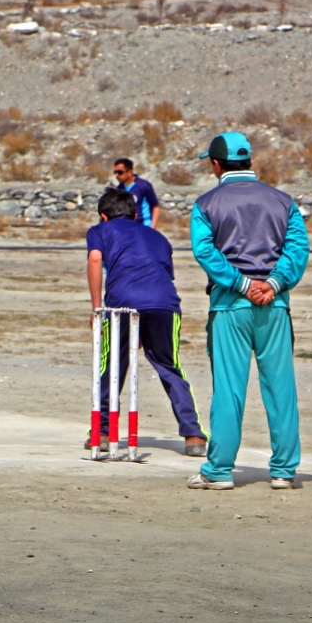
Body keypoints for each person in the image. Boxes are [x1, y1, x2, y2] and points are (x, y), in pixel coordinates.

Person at [187, 132, 308, 491]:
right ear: (249, 161)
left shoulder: (206, 203)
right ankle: (284, 471)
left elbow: (205, 252)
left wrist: (241, 284)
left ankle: (220, 470)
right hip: (275, 306)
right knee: (281, 388)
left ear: (216, 163)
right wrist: (272, 284)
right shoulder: (283, 201)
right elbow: (298, 249)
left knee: (228, 389)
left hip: (229, 306)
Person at [86, 187, 206, 456]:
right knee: (169, 365)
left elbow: (95, 259)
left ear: (103, 216)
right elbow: (164, 274)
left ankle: (103, 431)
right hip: (165, 303)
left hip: (122, 304)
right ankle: (193, 434)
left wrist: (97, 308)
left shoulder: (99, 231)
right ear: (134, 214)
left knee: (112, 364)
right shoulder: (158, 237)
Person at [113, 158, 161, 228]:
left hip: (144, 228)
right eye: (115, 172)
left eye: (120, 172)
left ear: (129, 172)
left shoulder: (144, 186)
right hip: (128, 229)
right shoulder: (119, 188)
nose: (117, 175)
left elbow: (156, 207)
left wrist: (152, 228)